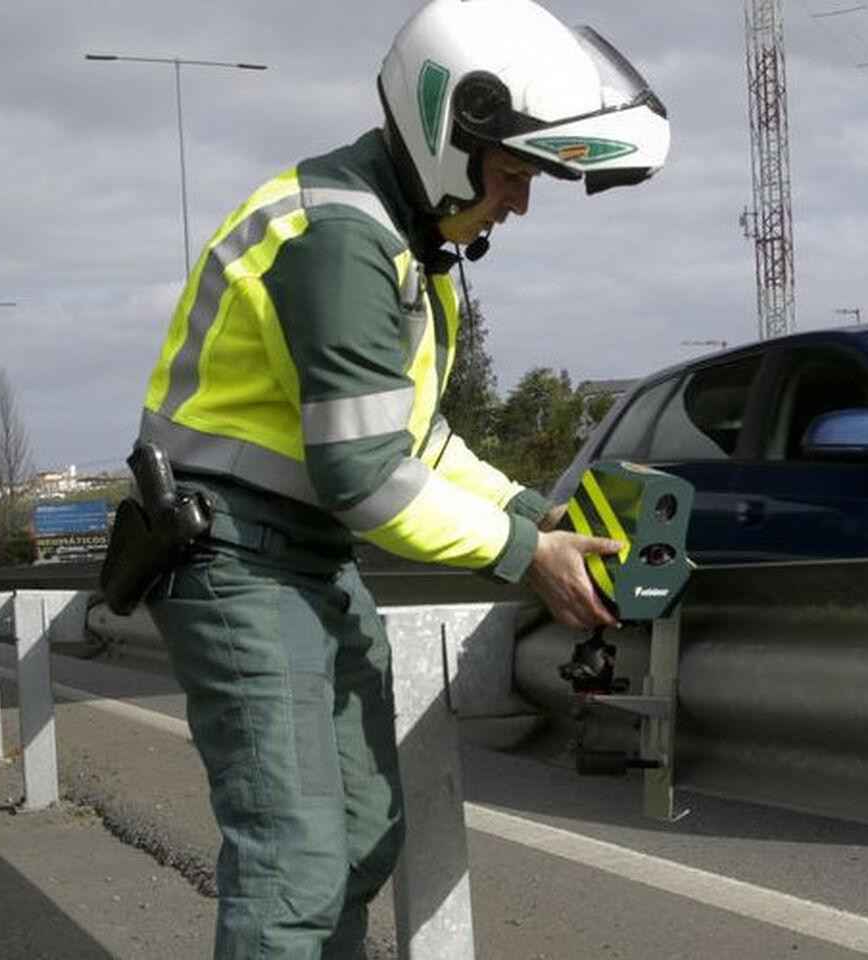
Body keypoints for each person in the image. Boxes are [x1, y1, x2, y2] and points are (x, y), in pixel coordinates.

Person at [132, 0, 670, 954]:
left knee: (359, 840)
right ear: (449, 136)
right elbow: (365, 479)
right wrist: (524, 554)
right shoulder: (343, 242)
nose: (520, 201)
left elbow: (416, 439)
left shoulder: (395, 237)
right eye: (512, 174)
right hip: (236, 561)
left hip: (300, 559)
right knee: (293, 863)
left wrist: (532, 510)